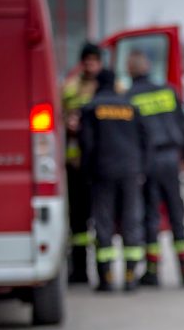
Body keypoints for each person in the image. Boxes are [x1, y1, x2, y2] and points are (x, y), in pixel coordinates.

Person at [126, 50, 184, 286]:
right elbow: (183, 126)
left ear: (129, 71)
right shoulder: (168, 91)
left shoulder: (129, 97)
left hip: (149, 161)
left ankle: (153, 272)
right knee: (177, 214)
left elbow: (131, 137)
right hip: (172, 159)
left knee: (152, 216)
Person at [78, 69, 149, 292]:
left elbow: (86, 144)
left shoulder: (91, 108)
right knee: (131, 221)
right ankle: (130, 277)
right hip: (130, 171)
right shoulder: (130, 106)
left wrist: (86, 171)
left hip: (103, 173)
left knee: (104, 222)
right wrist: (141, 169)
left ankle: (106, 277)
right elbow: (145, 140)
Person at [61, 41, 102, 283]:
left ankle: (103, 271)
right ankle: (79, 270)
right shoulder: (69, 88)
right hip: (75, 163)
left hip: (99, 164)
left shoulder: (108, 86)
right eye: (87, 61)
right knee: (78, 221)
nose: (90, 65)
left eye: (94, 61)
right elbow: (58, 116)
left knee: (102, 220)